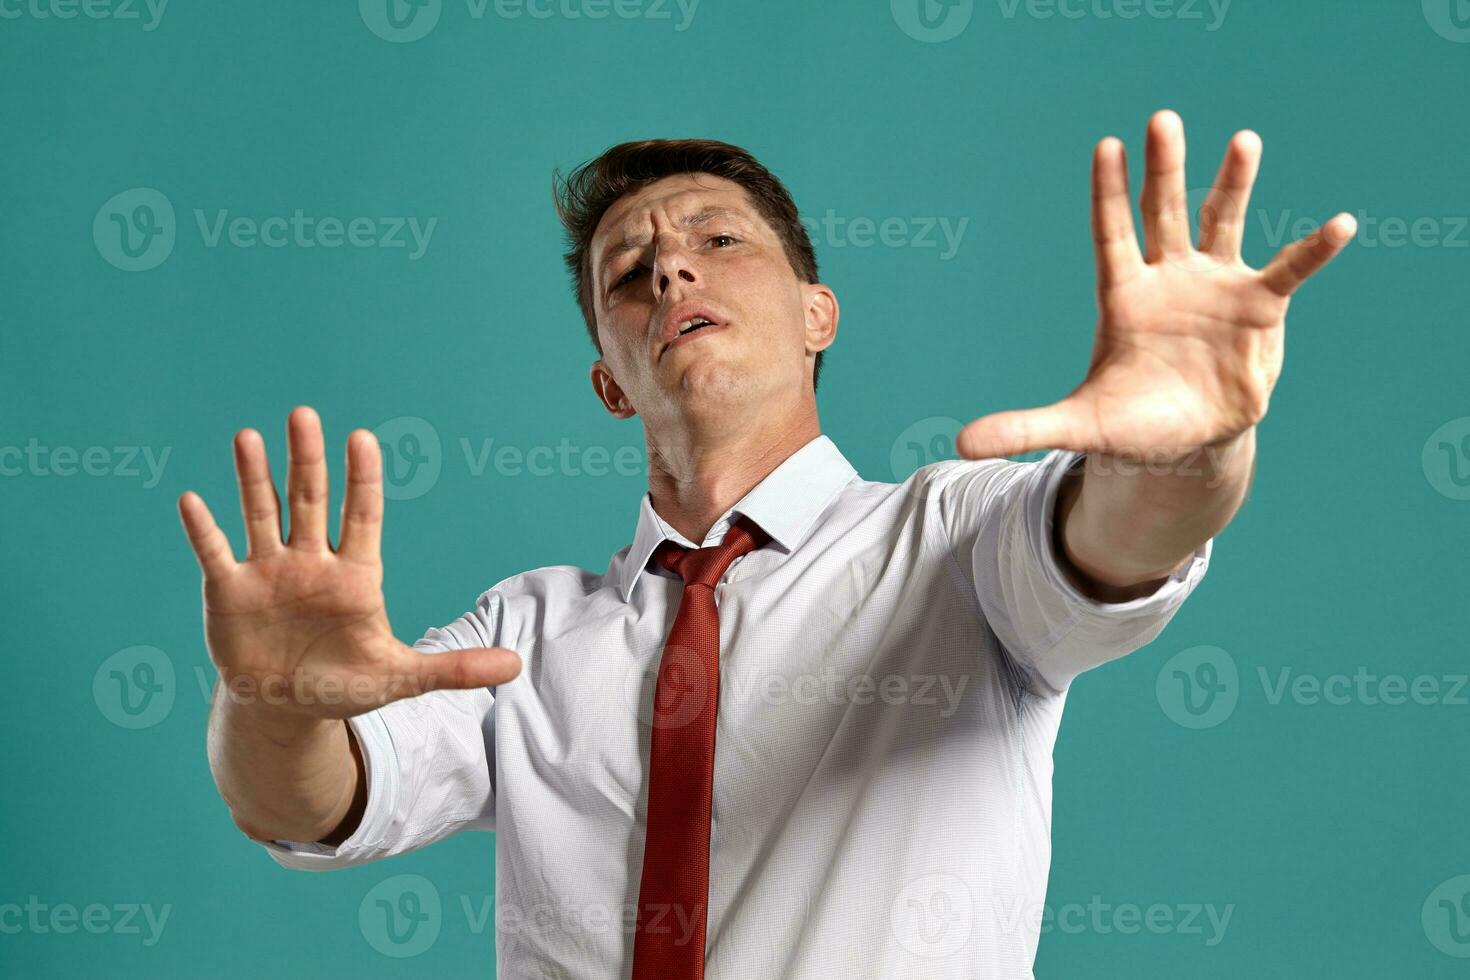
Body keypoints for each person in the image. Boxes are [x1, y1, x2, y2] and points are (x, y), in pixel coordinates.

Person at [178, 111, 1354, 979]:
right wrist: (271, 701)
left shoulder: (948, 539)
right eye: (629, 274)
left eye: (717, 241)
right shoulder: (520, 634)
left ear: (816, 312)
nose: (671, 268)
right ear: (609, 381)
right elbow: (311, 802)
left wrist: (1188, 450)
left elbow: (1117, 539)